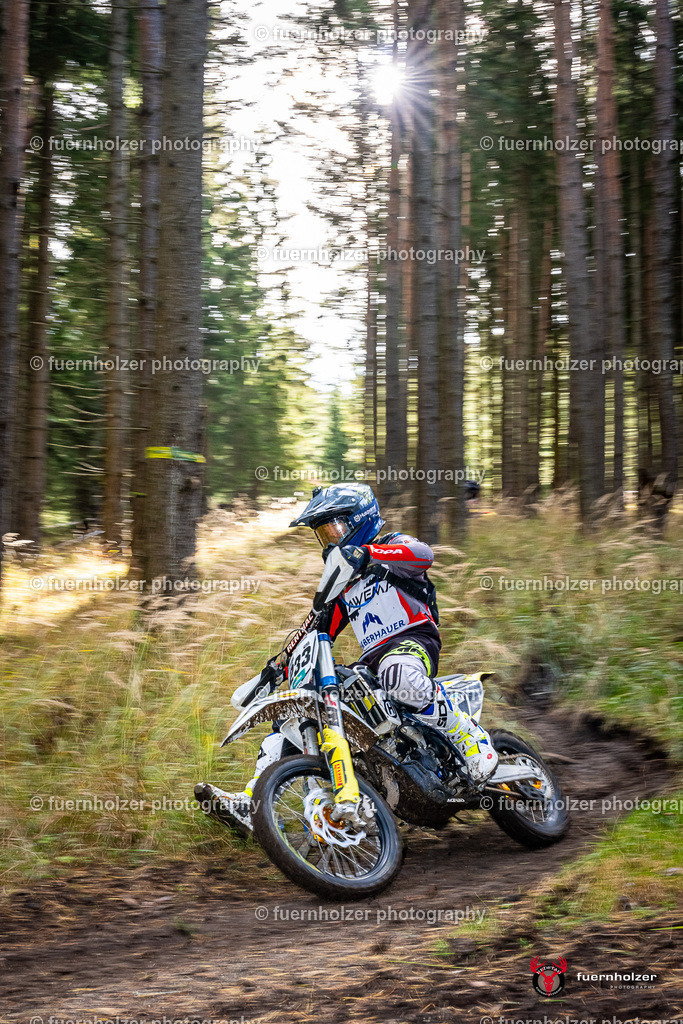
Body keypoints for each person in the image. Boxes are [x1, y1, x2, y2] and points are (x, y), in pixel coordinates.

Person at [197, 483, 498, 833]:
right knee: (296, 712)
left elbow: (423, 554)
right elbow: (314, 628)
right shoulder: (344, 585)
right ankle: (254, 803)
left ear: (361, 519)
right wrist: (274, 669)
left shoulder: (391, 548)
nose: (330, 540)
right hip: (372, 663)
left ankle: (468, 736)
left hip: (413, 642)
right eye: (322, 534)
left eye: (334, 528)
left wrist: (368, 555)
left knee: (396, 671)